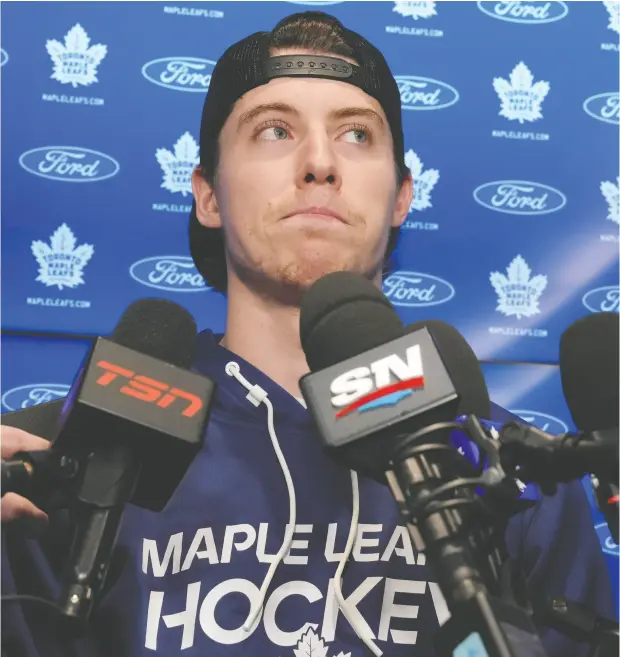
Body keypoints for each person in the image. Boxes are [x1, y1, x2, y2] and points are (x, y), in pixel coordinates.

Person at [1, 11, 614, 657]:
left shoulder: (508, 468)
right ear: (208, 195)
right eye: (273, 130)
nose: (319, 162)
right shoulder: (64, 455)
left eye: (356, 134)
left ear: (402, 195)